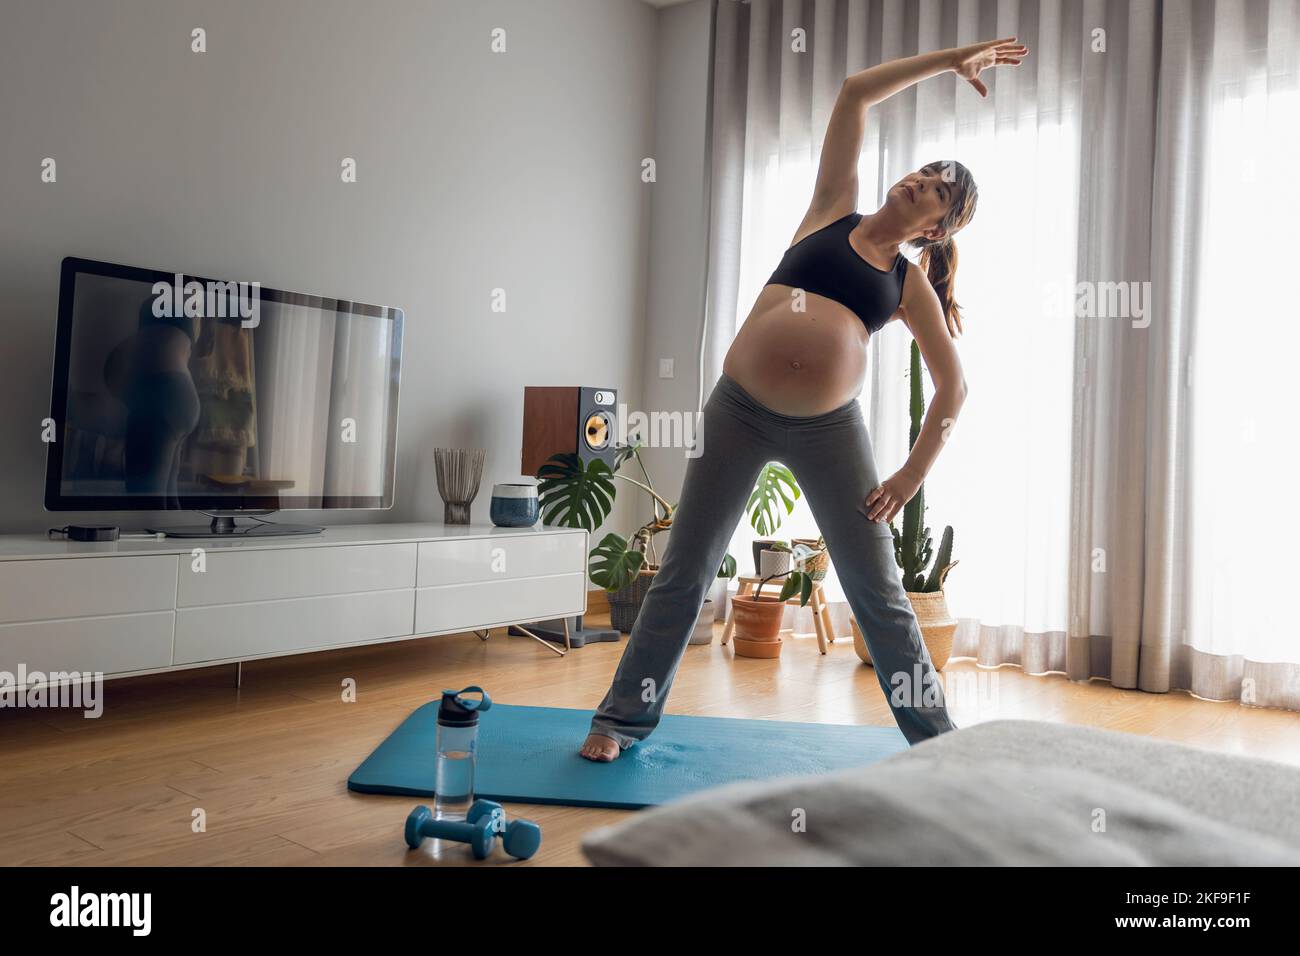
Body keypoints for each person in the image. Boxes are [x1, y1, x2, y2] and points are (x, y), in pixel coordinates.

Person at [580, 37, 1029, 761]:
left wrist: (911, 475)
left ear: (938, 228)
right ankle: (620, 722)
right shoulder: (832, 210)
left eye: (940, 190)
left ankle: (939, 747)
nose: (922, 181)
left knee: (878, 594)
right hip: (739, 411)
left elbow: (954, 385)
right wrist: (948, 62)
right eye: (925, 170)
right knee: (684, 572)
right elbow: (854, 92)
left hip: (830, 430)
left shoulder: (907, 285)